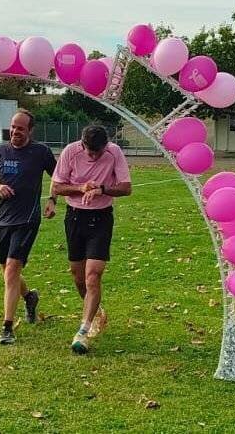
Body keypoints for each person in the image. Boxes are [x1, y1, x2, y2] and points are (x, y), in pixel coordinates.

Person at [50, 125, 131, 354]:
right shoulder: (70, 152)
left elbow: (126, 188)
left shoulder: (114, 152)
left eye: (99, 152)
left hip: (101, 218)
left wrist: (102, 189)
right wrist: (80, 187)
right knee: (78, 276)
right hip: (75, 217)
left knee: (93, 275)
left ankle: (83, 332)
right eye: (90, 152)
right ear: (82, 144)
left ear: (106, 145)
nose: (94, 156)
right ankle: (94, 311)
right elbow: (57, 186)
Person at [0, 109, 57, 345]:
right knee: (6, 271)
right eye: (13, 127)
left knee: (12, 269)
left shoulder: (41, 152)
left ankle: (7, 327)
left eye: (20, 128)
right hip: (3, 219)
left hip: (28, 218)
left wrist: (52, 200)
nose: (15, 132)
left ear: (30, 131)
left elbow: (58, 177)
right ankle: (29, 296)